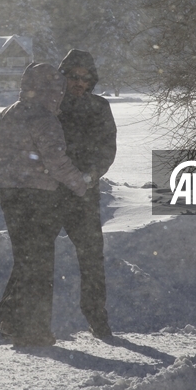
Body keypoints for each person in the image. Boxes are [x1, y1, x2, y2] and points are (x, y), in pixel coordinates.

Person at [0, 63, 87, 347]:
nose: (60, 94)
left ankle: (15, 322)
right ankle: (33, 329)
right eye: (57, 89)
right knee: (39, 266)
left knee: (26, 260)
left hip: (9, 193)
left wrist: (13, 145)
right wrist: (80, 184)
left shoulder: (9, 113)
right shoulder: (44, 119)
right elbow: (56, 162)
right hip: (38, 197)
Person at [57, 49, 117, 339]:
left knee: (92, 258)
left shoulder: (99, 107)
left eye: (85, 77)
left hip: (84, 195)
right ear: (63, 77)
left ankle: (97, 317)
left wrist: (91, 176)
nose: (79, 82)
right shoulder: (50, 105)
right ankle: (25, 321)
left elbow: (107, 148)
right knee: (35, 258)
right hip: (49, 192)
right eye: (73, 76)